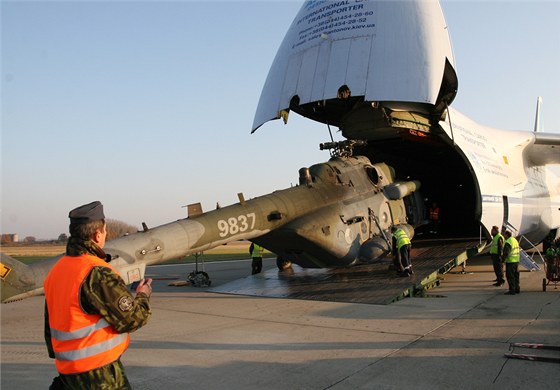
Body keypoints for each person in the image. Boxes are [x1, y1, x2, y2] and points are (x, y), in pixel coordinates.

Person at [44, 201, 152, 389]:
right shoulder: (96, 272)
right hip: (99, 376)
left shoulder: (57, 270)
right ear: (97, 235)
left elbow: (50, 326)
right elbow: (133, 319)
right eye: (104, 231)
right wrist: (143, 295)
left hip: (69, 374)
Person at [502, 230, 520, 295]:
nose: (503, 236)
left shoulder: (508, 242)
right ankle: (517, 289)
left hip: (510, 262)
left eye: (504, 235)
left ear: (507, 235)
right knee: (516, 276)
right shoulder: (514, 240)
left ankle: (512, 290)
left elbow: (506, 252)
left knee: (510, 276)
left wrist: (503, 261)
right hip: (516, 261)